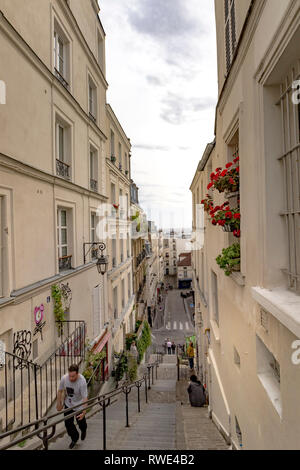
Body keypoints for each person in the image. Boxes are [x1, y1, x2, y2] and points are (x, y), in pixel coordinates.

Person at [57, 364, 88, 449]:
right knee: (68, 424)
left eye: (73, 376)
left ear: (77, 374)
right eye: (70, 376)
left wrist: (84, 412)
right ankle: (75, 438)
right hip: (69, 404)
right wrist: (59, 403)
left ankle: (83, 429)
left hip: (79, 405)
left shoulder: (82, 381)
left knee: (81, 423)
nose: (71, 378)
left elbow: (85, 398)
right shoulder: (64, 378)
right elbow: (60, 391)